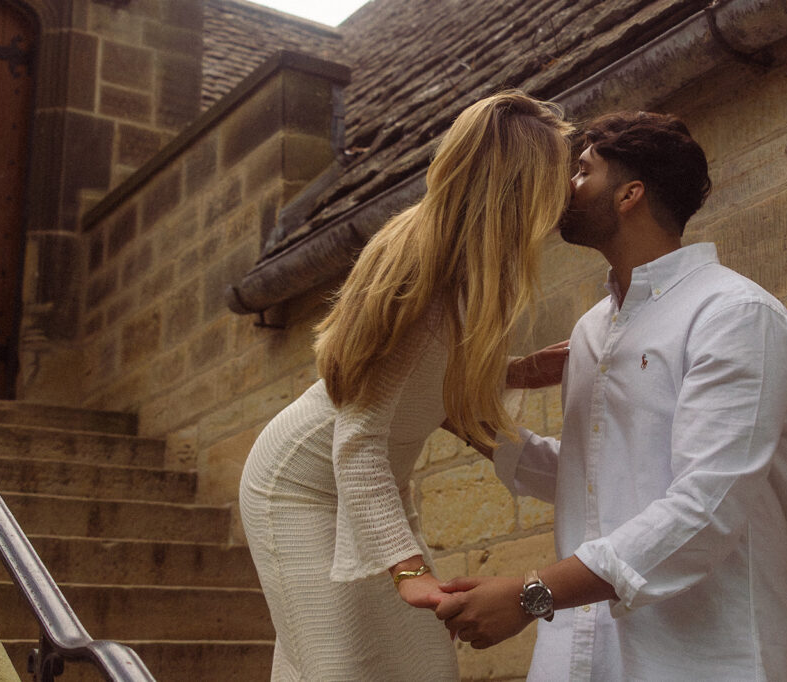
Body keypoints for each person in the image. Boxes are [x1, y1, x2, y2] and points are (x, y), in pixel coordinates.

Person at [434, 111, 787, 680]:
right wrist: (447, 406)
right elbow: (586, 475)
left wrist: (529, 596)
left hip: (701, 657)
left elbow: (704, 508)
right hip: (579, 658)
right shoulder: (591, 329)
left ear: (629, 194)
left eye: (582, 171)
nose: (564, 188)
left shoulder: (735, 315)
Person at [238, 91, 573, 681]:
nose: (565, 193)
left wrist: (517, 371)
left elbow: (422, 374)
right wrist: (407, 567)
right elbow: (358, 440)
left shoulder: (470, 272)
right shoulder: (422, 268)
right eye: (556, 178)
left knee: (421, 663)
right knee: (340, 667)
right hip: (299, 486)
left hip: (370, 486)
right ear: (517, 189)